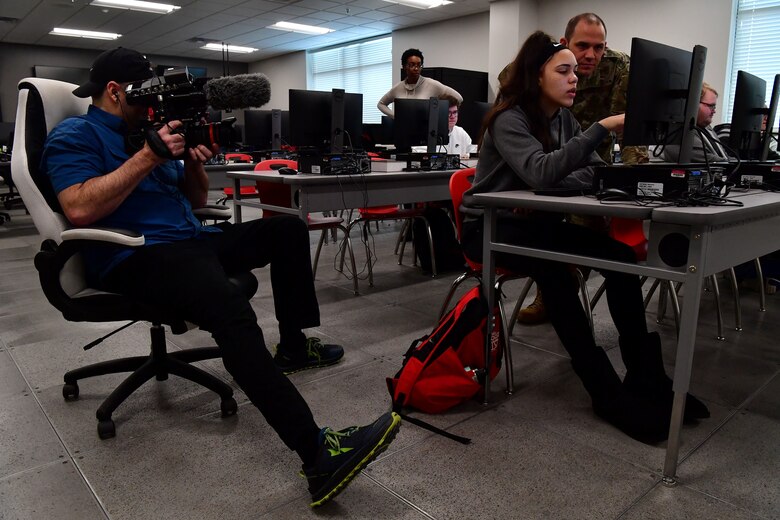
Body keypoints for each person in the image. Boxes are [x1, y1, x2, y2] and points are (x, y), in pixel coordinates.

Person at [41, 47, 400, 508]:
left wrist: (191, 162)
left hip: (187, 239)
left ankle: (293, 345)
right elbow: (78, 206)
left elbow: (193, 199)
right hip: (134, 254)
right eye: (144, 100)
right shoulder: (76, 134)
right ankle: (317, 455)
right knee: (230, 308)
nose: (153, 111)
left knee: (287, 228)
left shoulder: (147, 134)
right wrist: (148, 157)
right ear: (115, 91)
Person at [462, 32, 709, 443]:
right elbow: (541, 171)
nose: (575, 78)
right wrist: (599, 130)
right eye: (564, 70)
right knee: (555, 271)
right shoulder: (510, 118)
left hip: (536, 223)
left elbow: (592, 173)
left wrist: (557, 176)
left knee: (621, 258)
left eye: (575, 71)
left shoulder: (562, 118)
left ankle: (647, 376)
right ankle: (605, 391)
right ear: (536, 76)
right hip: (488, 227)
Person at [511, 13, 649, 325]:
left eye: (598, 47)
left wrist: (635, 179)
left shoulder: (620, 67)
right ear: (564, 44)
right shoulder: (542, 64)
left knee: (594, 233)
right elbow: (512, 90)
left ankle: (567, 294)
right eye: (582, 46)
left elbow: (628, 129)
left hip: (588, 160)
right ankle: (551, 295)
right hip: (544, 160)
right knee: (549, 228)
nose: (590, 56)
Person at [377, 48, 463, 118]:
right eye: (412, 65)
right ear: (404, 67)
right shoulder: (398, 88)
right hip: (404, 131)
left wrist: (440, 113)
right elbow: (381, 104)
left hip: (425, 131)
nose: (416, 68)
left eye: (419, 65)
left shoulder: (432, 84)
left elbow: (459, 98)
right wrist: (397, 117)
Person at [662, 82, 729, 162]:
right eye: (711, 106)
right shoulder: (677, 131)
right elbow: (710, 160)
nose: (714, 111)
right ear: (693, 104)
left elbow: (724, 156)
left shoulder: (707, 127)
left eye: (714, 106)